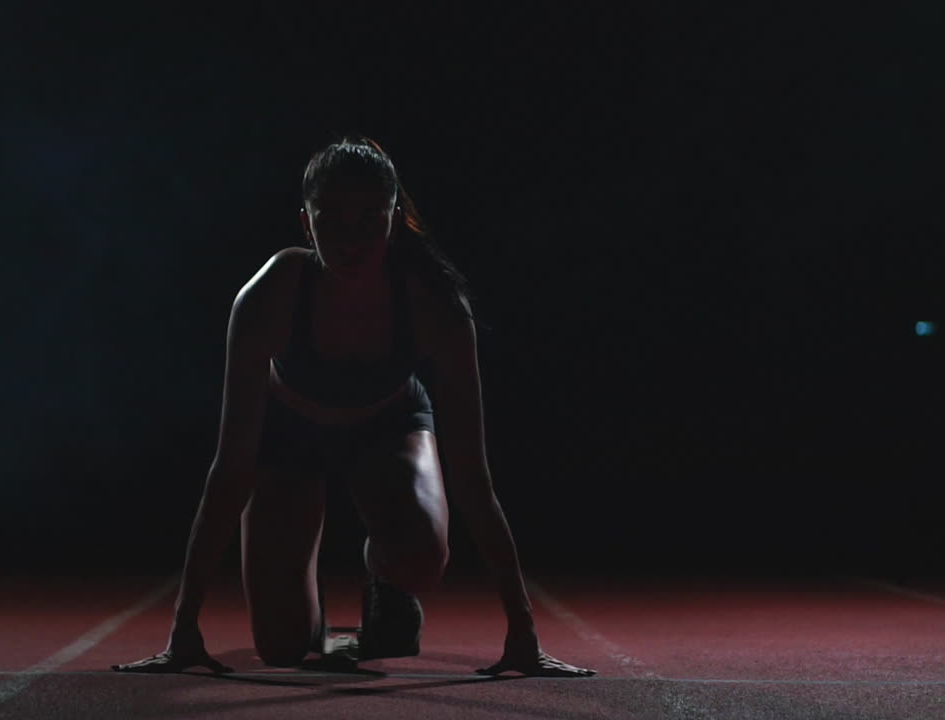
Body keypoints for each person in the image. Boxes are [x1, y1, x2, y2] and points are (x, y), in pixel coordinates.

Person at [114, 137, 594, 677]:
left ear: (395, 218)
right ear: (305, 221)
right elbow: (230, 469)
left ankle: (384, 580)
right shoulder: (269, 296)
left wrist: (523, 634)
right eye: (332, 218)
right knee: (282, 648)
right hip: (288, 438)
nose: (351, 237)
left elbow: (473, 478)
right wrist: (184, 631)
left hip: (386, 428)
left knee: (423, 557)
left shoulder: (434, 302)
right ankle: (305, 595)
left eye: (369, 217)